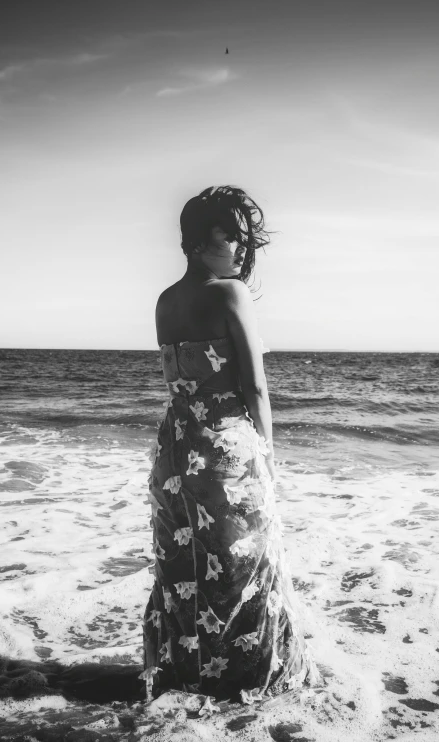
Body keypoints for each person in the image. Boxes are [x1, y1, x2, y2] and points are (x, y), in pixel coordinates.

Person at [141, 185, 323, 704]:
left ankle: (191, 676)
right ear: (201, 239)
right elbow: (255, 387)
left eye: (246, 240)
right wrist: (267, 457)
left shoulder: (165, 300)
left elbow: (183, 384)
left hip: (175, 456)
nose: (242, 249)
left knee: (188, 575)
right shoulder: (229, 294)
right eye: (234, 237)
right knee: (244, 570)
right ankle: (248, 684)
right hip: (225, 456)